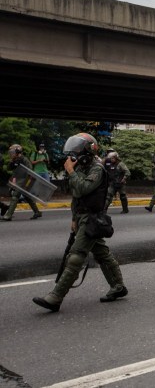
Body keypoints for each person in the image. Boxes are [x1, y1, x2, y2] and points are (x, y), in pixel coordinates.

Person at [33, 133, 128, 312]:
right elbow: (76, 197)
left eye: (77, 150)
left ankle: (55, 298)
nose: (73, 155)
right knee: (102, 253)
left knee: (75, 256)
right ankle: (118, 287)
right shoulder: (82, 169)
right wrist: (74, 218)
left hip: (93, 218)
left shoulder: (97, 168)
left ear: (88, 150)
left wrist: (70, 171)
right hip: (83, 217)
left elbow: (84, 188)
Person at [1, 144, 42, 221]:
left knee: (15, 196)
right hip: (19, 181)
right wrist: (12, 162)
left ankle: (8, 216)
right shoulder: (15, 159)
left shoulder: (24, 159)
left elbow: (30, 171)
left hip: (25, 181)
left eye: (13, 152)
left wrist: (26, 183)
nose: (11, 154)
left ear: (18, 152)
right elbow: (9, 168)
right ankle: (37, 212)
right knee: (27, 197)